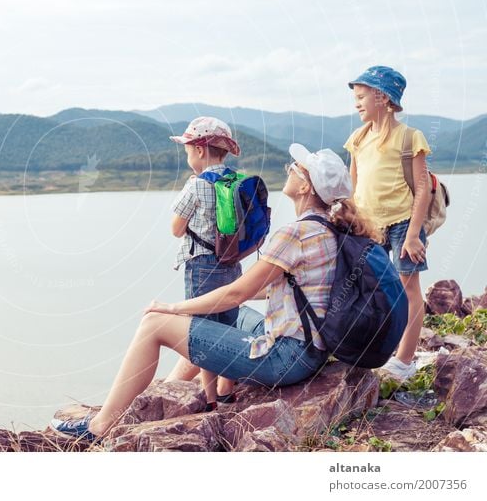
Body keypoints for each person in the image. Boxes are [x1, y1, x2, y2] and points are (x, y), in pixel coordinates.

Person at [51, 144, 379, 441]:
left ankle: (100, 426)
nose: (288, 170)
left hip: (285, 358)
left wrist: (174, 308)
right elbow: (281, 294)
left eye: (294, 168)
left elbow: (237, 292)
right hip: (310, 349)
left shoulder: (296, 233)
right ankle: (166, 393)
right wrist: (199, 311)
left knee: (155, 324)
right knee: (216, 317)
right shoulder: (330, 228)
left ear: (306, 186)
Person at [344, 65, 431, 383]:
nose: (356, 103)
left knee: (409, 291)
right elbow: (352, 189)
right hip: (369, 227)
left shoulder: (408, 137)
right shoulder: (357, 138)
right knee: (373, 292)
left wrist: (412, 235)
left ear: (382, 97)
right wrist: (350, 222)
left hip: (402, 224)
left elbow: (422, 189)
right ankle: (375, 352)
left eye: (361, 96)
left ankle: (404, 362)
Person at [165, 116, 244, 402]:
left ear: (199, 150)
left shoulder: (196, 185)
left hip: (201, 265)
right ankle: (227, 390)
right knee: (227, 328)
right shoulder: (236, 181)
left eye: (187, 148)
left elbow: (176, 229)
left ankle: (209, 399)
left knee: (203, 333)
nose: (187, 154)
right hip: (232, 265)